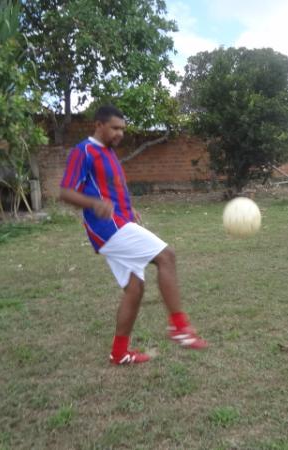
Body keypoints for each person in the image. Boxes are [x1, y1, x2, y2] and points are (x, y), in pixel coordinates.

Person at [59, 105, 207, 366]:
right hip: (107, 227)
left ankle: (119, 353)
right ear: (99, 125)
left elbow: (114, 190)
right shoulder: (84, 151)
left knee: (135, 289)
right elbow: (65, 192)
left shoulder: (109, 153)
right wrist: (94, 204)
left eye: (122, 129)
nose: (120, 134)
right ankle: (179, 328)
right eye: (115, 128)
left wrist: (130, 209)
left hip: (120, 223)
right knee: (166, 256)